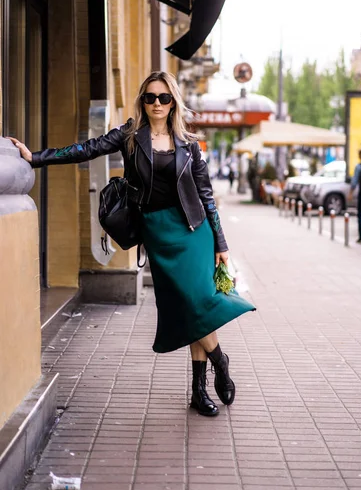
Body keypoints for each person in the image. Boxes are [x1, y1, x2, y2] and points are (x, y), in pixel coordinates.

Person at [8, 71, 255, 418]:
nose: (156, 103)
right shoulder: (129, 136)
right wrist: (37, 157)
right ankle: (218, 361)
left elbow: (206, 196)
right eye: (150, 97)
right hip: (157, 230)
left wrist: (221, 243)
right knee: (188, 306)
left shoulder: (188, 144)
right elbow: (86, 149)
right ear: (143, 101)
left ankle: (200, 390)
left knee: (197, 303)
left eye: (164, 98)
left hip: (193, 230)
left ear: (173, 103)